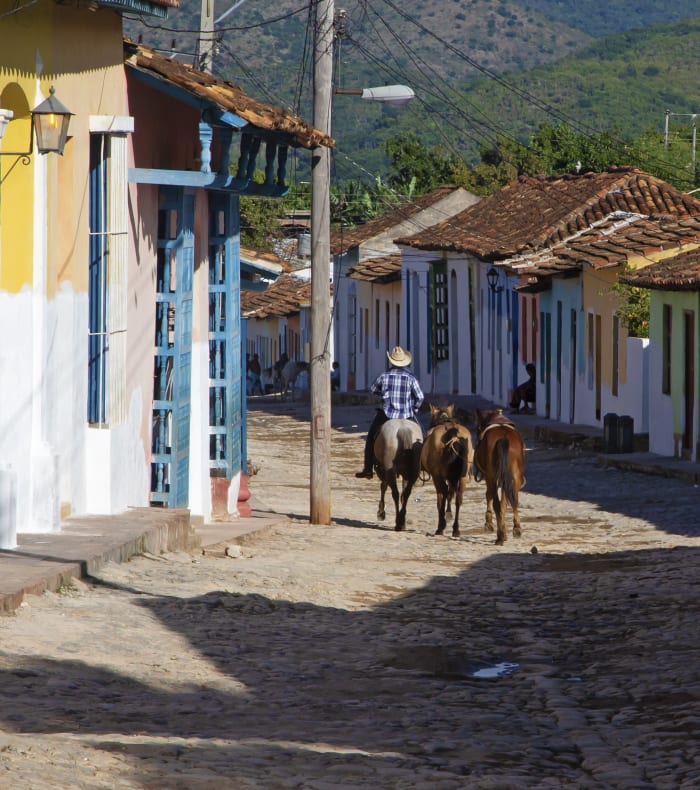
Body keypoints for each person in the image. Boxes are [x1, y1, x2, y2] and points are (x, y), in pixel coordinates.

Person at [355, 346, 424, 479]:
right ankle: (423, 466)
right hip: (407, 415)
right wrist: (414, 409)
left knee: (370, 439)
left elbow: (373, 389)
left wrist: (384, 394)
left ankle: (368, 469)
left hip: (387, 414)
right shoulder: (411, 377)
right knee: (423, 436)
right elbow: (420, 397)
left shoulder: (384, 375)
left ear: (391, 361)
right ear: (405, 361)